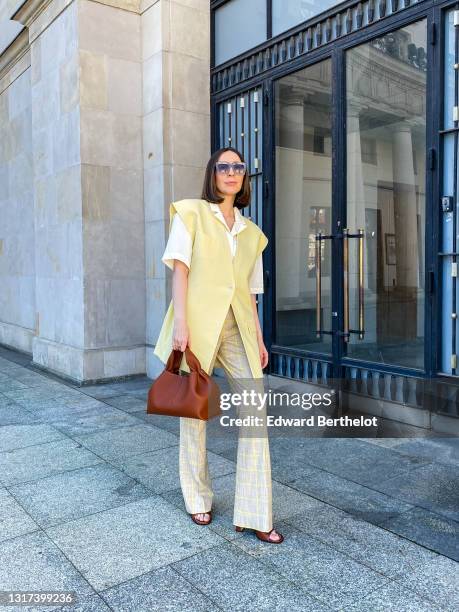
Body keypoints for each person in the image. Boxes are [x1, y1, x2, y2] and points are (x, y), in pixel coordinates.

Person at [153, 147, 283, 544]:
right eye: (223, 166)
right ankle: (197, 497)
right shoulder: (191, 213)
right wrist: (181, 324)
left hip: (238, 328)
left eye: (238, 167)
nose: (231, 172)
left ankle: (255, 513)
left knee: (255, 415)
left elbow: (250, 291)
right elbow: (181, 270)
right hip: (197, 328)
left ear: (244, 177)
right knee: (194, 414)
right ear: (213, 173)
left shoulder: (251, 233)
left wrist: (258, 338)